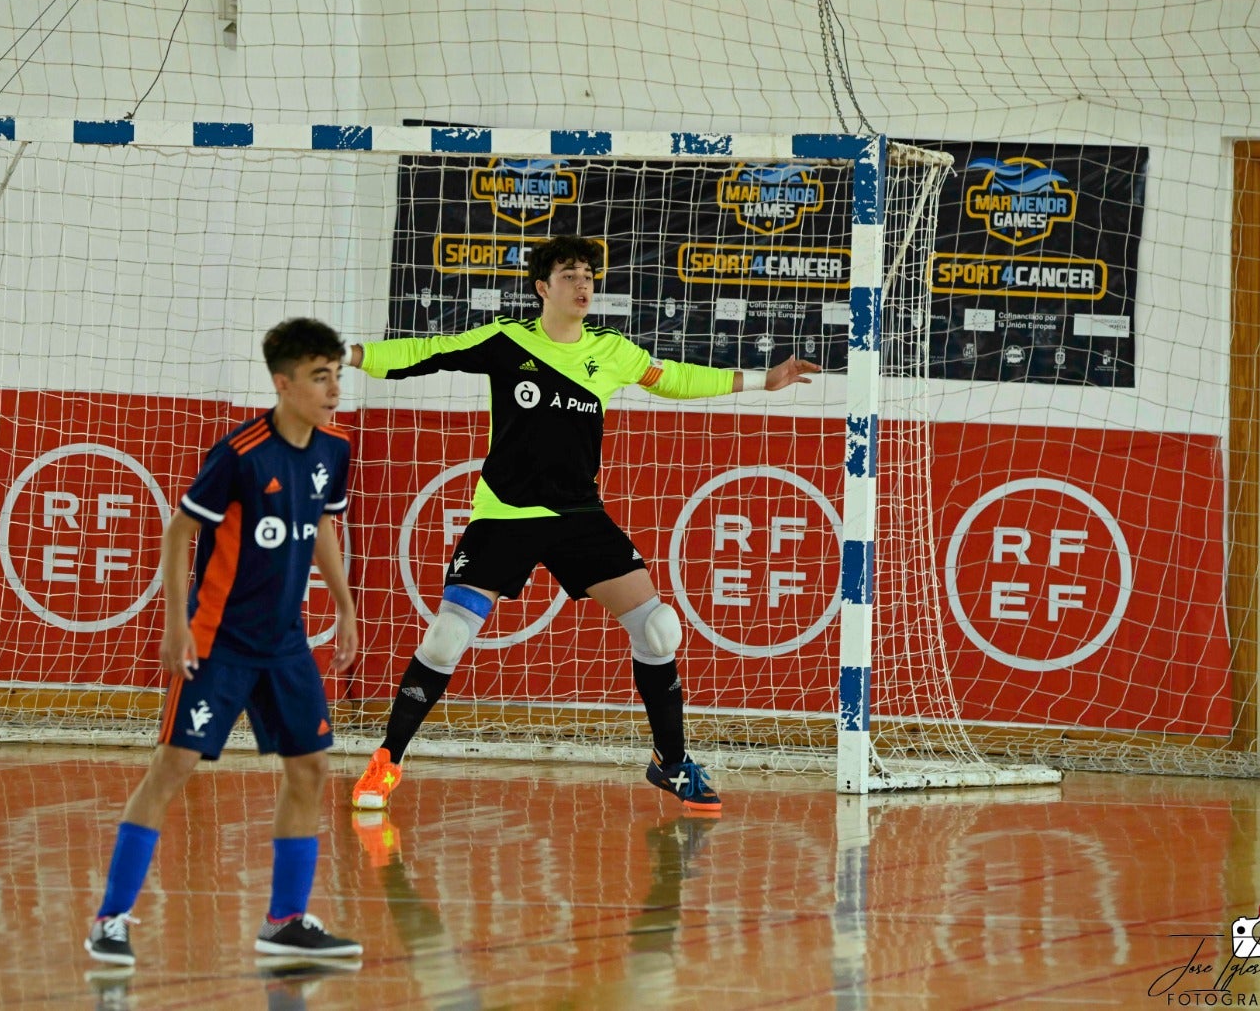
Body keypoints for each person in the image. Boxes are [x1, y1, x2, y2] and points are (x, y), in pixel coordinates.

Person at [348, 235, 820, 814]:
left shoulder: (611, 351)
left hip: (578, 516)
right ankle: (388, 759)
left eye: (589, 276)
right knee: (446, 638)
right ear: (542, 288)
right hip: (506, 515)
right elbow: (427, 351)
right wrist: (352, 355)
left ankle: (671, 762)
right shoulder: (506, 341)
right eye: (569, 275)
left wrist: (761, 380)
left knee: (658, 629)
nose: (583, 285)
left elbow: (674, 378)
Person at [83, 318, 364, 967]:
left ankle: (284, 922)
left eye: (336, 375)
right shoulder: (241, 454)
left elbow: (323, 526)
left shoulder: (334, 450)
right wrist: (175, 625)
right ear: (283, 384)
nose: (333, 389)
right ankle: (110, 919)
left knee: (311, 767)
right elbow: (179, 532)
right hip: (218, 641)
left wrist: (345, 605)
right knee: (173, 767)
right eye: (319, 377)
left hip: (285, 643)